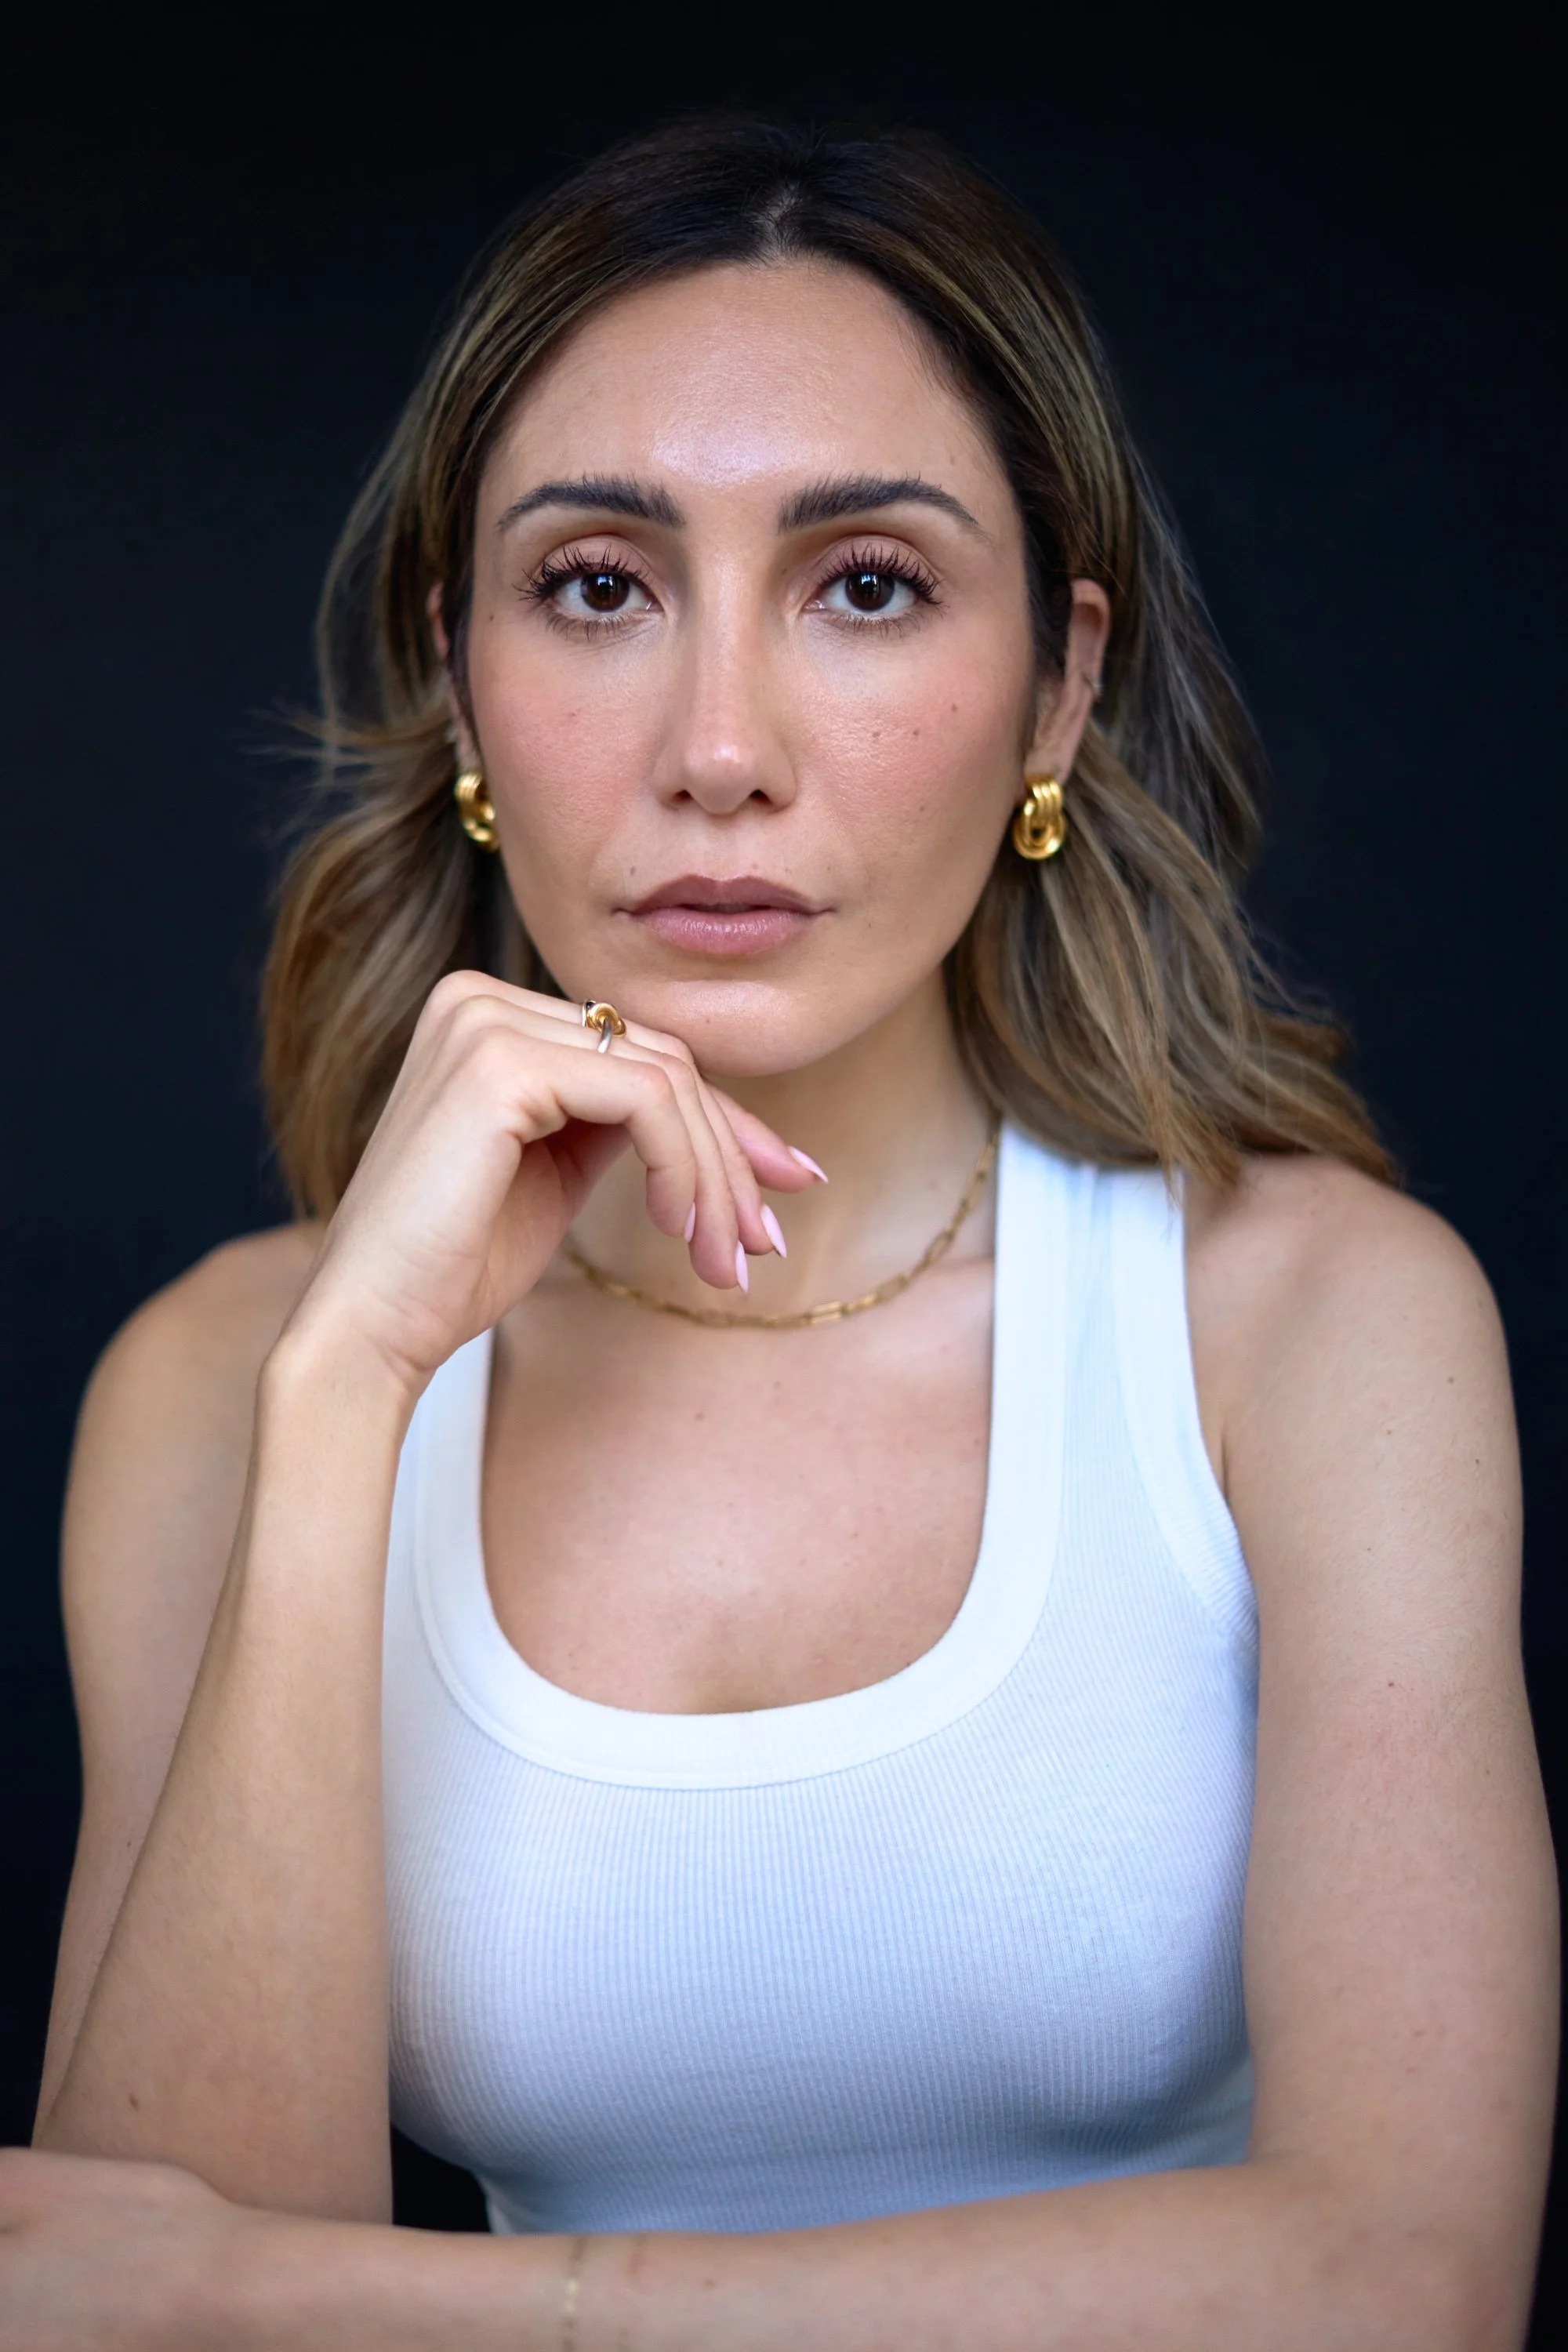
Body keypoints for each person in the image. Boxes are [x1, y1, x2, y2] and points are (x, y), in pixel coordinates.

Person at [9, 118, 1554, 2349]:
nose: (719, 749)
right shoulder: (225, 1384)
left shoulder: (1309, 1323)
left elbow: (1401, 2283)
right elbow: (140, 2294)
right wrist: (347, 1406)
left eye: (867, 586)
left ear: (1061, 688)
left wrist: (458, 2310)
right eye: (600, 587)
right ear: (461, 683)